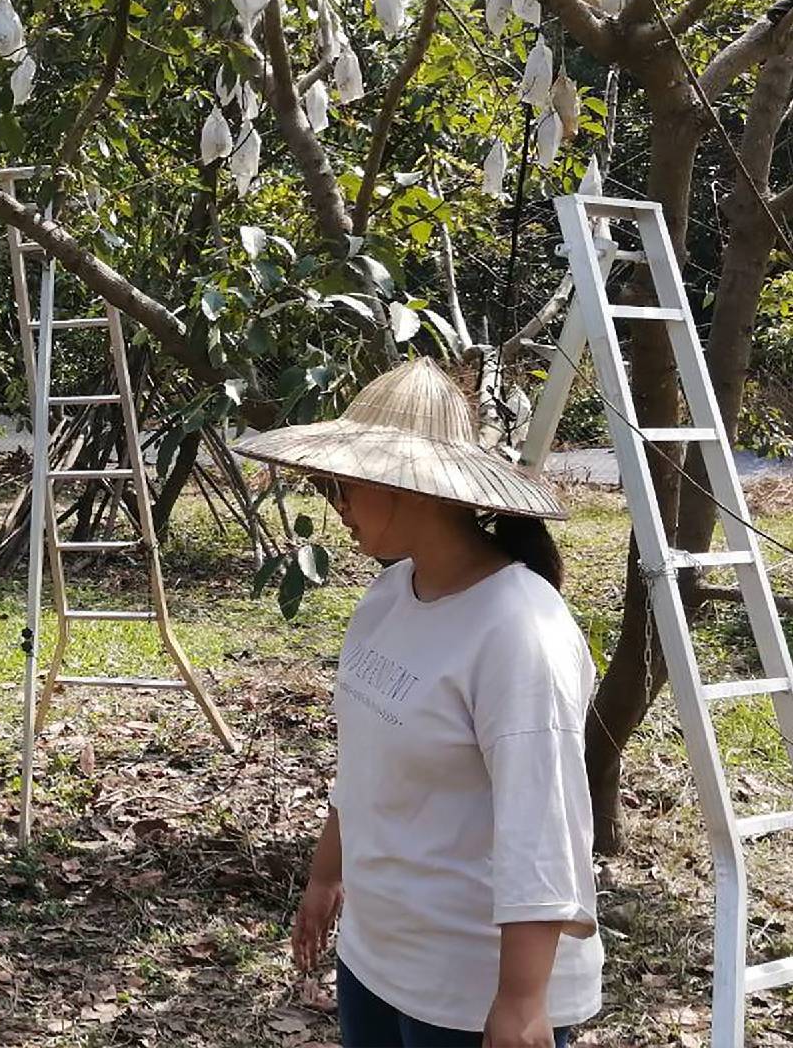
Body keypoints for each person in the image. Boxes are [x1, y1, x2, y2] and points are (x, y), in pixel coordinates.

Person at [236, 358, 602, 1048]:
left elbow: (545, 827)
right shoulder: (388, 596)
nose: (335, 506)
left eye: (343, 486)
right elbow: (366, 762)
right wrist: (325, 875)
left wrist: (522, 1003)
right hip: (378, 954)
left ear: (414, 489)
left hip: (471, 985)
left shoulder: (520, 630)